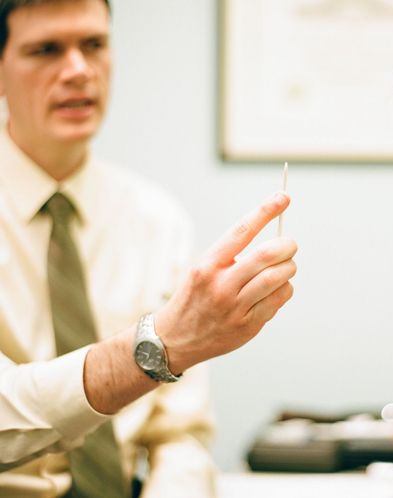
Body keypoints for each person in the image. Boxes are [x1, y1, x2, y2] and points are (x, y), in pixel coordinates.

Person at [0, 0, 297, 496]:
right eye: (46, 49)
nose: (77, 70)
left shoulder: (156, 221)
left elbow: (179, 435)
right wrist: (155, 347)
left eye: (93, 45)